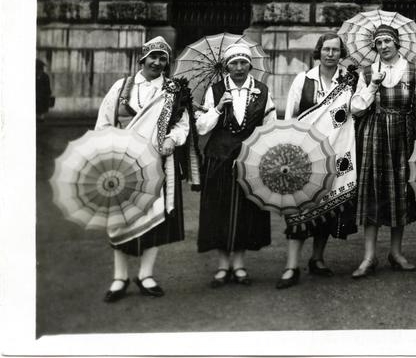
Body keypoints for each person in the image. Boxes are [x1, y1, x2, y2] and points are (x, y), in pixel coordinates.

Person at [95, 36, 194, 302]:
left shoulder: (174, 90)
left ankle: (146, 274)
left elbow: (182, 125)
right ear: (143, 59)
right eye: (154, 57)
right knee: (120, 219)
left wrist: (173, 139)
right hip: (123, 166)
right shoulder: (122, 86)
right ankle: (119, 277)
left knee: (155, 219)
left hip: (157, 166)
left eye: (163, 58)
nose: (158, 62)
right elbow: (104, 123)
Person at [278, 32, 360, 287]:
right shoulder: (304, 80)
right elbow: (290, 117)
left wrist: (369, 85)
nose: (330, 54)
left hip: (335, 153)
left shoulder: (348, 82)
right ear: (319, 51)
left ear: (341, 53)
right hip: (304, 156)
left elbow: (356, 111)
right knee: (299, 209)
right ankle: (291, 266)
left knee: (326, 206)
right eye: (326, 49)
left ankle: (317, 259)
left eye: (335, 50)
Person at [350, 24, 416, 277]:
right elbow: (355, 109)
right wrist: (373, 86)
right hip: (373, 136)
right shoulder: (367, 72)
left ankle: (396, 253)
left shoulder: (413, 71)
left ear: (397, 43)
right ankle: (369, 257)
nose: (383, 46)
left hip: (403, 137)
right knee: (373, 192)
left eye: (387, 41)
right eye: (379, 43)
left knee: (399, 193)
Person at [195, 43, 275, 288]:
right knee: (218, 209)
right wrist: (219, 108)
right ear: (226, 66)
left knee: (246, 211)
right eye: (234, 63)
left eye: (243, 63)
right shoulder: (216, 90)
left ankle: (239, 264)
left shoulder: (262, 90)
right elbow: (201, 127)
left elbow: (270, 126)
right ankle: (222, 266)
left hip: (249, 159)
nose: (239, 68)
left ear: (250, 65)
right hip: (219, 158)